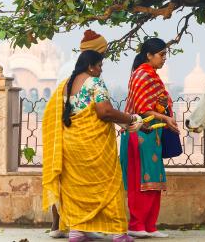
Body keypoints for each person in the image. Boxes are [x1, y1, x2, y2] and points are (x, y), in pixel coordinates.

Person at [42, 50, 142, 242]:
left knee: (77, 188)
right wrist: (132, 119)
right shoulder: (95, 82)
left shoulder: (64, 86)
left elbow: (52, 114)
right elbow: (104, 112)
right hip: (94, 145)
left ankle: (77, 231)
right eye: (99, 66)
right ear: (90, 66)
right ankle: (118, 233)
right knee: (109, 185)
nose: (100, 70)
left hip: (71, 145)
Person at [48, 30, 109, 240]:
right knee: (82, 181)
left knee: (67, 179)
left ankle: (66, 226)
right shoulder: (90, 74)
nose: (105, 58)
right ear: (97, 54)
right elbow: (100, 108)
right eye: (104, 52)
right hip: (84, 132)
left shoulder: (76, 68)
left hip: (67, 129)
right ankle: (69, 225)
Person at [120, 38, 179, 238]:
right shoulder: (141, 75)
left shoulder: (153, 75)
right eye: (161, 55)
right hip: (139, 133)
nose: (164, 59)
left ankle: (150, 226)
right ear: (149, 55)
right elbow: (142, 109)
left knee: (154, 180)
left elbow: (155, 106)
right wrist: (166, 117)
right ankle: (136, 225)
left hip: (153, 134)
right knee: (141, 181)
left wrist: (163, 110)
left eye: (165, 55)